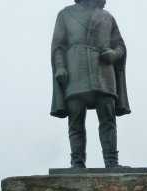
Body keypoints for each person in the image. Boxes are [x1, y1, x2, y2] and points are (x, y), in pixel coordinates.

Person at [50, 0, 131, 168]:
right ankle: (77, 163)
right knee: (76, 119)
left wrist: (114, 54)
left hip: (103, 70)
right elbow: (58, 45)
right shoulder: (65, 14)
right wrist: (60, 66)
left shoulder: (107, 17)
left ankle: (112, 162)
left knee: (108, 118)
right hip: (75, 70)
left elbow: (120, 45)